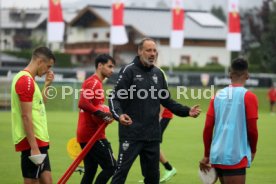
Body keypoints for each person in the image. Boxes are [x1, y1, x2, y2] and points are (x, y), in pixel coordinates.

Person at [109, 38, 201, 184]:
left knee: (153, 179)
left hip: (152, 136)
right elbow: (114, 98)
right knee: (120, 174)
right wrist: (119, 116)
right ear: (140, 51)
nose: (152, 54)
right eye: (148, 50)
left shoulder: (158, 74)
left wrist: (186, 111)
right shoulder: (129, 71)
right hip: (131, 134)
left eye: (154, 51)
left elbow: (167, 101)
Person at [199, 58, 259, 184]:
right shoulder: (249, 96)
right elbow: (252, 129)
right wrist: (253, 150)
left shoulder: (217, 96)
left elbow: (208, 127)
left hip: (217, 155)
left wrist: (206, 155)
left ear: (230, 75)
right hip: (235, 156)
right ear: (247, 75)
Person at [11, 47, 56, 184]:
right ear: (40, 61)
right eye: (48, 66)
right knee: (32, 181)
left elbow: (40, 105)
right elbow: (26, 116)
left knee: (47, 181)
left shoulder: (30, 80)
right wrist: (34, 147)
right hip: (33, 141)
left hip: (38, 139)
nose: (48, 70)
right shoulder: (26, 81)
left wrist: (47, 85)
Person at [77, 54, 117, 184]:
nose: (112, 70)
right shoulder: (94, 82)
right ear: (100, 66)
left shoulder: (96, 83)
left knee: (91, 169)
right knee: (111, 167)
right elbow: (83, 103)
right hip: (92, 135)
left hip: (86, 133)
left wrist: (102, 115)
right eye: (110, 66)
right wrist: (102, 114)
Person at [159, 107, 177, 183]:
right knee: (149, 144)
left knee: (153, 143)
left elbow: (160, 99)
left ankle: (169, 168)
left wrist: (159, 117)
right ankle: (150, 176)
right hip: (155, 115)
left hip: (163, 115)